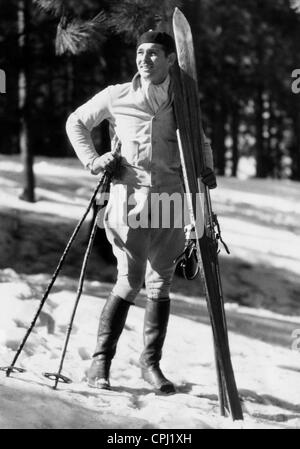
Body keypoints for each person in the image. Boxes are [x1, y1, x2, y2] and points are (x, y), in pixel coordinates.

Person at [66, 30, 216, 394]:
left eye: (153, 54)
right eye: (140, 53)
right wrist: (94, 160)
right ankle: (100, 362)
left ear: (169, 60)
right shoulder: (117, 95)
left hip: (172, 201)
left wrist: (206, 169)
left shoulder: (182, 99)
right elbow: (76, 122)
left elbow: (200, 141)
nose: (144, 60)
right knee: (130, 280)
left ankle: (150, 365)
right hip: (128, 200)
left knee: (160, 284)